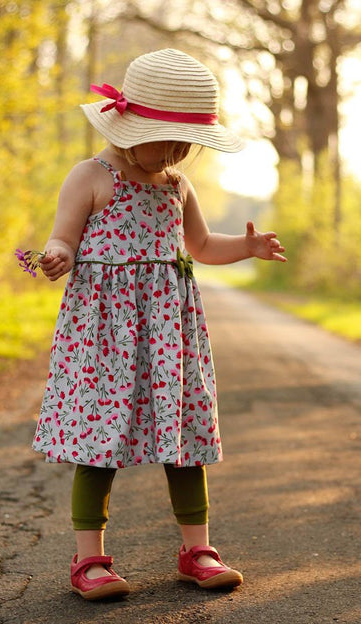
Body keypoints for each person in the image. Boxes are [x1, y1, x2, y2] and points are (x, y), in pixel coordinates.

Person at [32, 48, 286, 601]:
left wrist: (245, 246)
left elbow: (199, 246)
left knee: (184, 435)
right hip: (107, 333)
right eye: (164, 140)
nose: (174, 154)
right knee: (101, 437)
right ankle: (90, 559)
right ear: (125, 128)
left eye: (183, 145)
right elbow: (63, 238)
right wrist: (55, 256)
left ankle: (197, 548)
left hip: (170, 331)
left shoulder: (176, 185)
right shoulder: (91, 176)